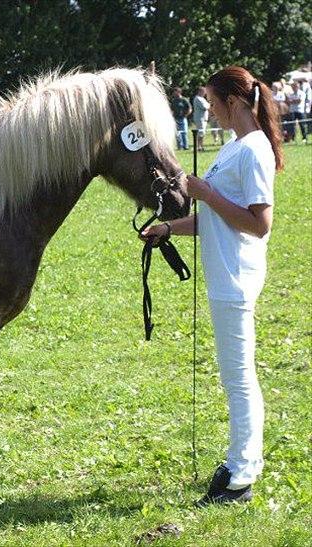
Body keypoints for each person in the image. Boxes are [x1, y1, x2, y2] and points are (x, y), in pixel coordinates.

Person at [141, 66, 283, 506]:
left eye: (212, 102)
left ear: (234, 102)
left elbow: (259, 224)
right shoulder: (233, 148)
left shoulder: (253, 151)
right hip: (223, 274)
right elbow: (217, 218)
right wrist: (169, 228)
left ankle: (241, 475)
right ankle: (241, 461)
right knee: (234, 375)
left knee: (239, 378)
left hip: (236, 278)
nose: (209, 110)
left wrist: (206, 193)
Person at [192, 87, 211, 151]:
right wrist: (210, 105)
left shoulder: (202, 98)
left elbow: (208, 105)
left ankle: (201, 146)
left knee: (203, 133)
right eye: (204, 91)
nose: (205, 93)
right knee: (200, 133)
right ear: (200, 91)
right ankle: (198, 146)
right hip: (200, 118)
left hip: (204, 118)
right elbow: (205, 107)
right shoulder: (198, 98)